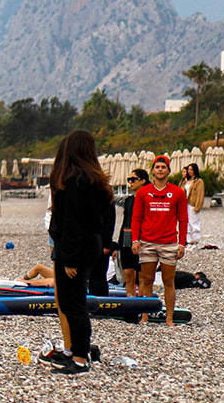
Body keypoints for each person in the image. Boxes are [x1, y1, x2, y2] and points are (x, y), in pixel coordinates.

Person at [43, 130, 114, 375]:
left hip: (75, 247)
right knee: (72, 301)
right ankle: (75, 350)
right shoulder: (95, 181)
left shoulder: (75, 181)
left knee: (73, 304)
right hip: (91, 243)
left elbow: (72, 222)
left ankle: (81, 358)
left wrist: (69, 257)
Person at [132, 154, 189, 326]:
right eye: (157, 167)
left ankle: (169, 318)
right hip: (148, 242)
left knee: (168, 280)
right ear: (153, 170)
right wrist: (135, 240)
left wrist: (182, 243)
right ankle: (145, 316)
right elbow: (136, 218)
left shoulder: (178, 192)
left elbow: (183, 219)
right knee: (146, 279)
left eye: (163, 167)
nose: (160, 170)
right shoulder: (143, 192)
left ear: (168, 170)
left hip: (169, 242)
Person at [116, 169, 149, 296]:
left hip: (142, 239)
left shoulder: (147, 198)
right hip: (126, 237)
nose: (130, 182)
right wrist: (118, 245)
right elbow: (125, 221)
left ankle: (142, 303)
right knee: (128, 275)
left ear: (142, 181)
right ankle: (130, 300)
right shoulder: (129, 200)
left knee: (141, 276)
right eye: (128, 180)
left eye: (133, 179)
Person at [183, 162, 205, 245]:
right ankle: (189, 241)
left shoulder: (199, 181)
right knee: (187, 222)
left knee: (194, 223)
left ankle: (195, 241)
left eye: (191, 169)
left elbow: (200, 194)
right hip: (186, 204)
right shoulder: (187, 181)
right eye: (188, 169)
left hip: (193, 203)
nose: (189, 171)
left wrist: (198, 206)